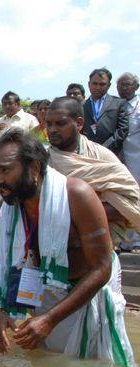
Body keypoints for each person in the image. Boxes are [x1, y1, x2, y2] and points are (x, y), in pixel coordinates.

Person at [0, 127, 134, 367]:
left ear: (34, 167)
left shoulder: (77, 195)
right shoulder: (8, 207)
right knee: (47, 365)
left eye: (5, 170)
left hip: (87, 291)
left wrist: (49, 320)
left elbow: (102, 267)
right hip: (44, 290)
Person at [46, 96, 140, 247]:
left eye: (60, 124)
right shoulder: (42, 161)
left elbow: (129, 202)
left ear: (79, 123)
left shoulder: (101, 156)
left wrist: (78, 212)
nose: (52, 130)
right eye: (49, 124)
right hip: (52, 246)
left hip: (100, 246)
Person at [117, 73, 140, 253]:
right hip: (118, 158)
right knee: (120, 199)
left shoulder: (138, 106)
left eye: (128, 85)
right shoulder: (114, 106)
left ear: (136, 87)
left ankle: (136, 241)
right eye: (121, 85)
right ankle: (122, 241)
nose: (124, 88)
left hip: (137, 158)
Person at [82, 68, 128, 155]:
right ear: (89, 84)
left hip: (112, 154)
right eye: (94, 84)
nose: (97, 87)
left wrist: (103, 149)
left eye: (102, 84)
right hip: (88, 155)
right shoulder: (81, 106)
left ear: (109, 85)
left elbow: (122, 130)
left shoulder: (119, 103)